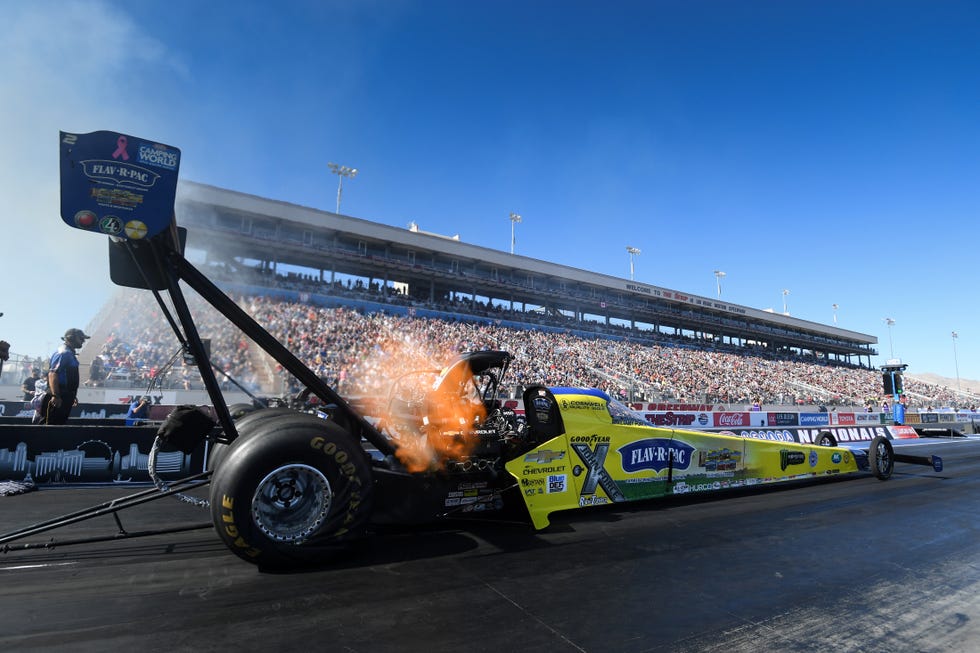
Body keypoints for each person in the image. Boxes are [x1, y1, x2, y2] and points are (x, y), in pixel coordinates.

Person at [39, 328, 90, 425]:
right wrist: (55, 395)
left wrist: (72, 394)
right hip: (59, 395)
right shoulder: (63, 353)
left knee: (59, 425)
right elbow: (53, 373)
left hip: (65, 395)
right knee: (50, 425)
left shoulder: (69, 353)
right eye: (81, 338)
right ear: (72, 338)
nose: (83, 341)